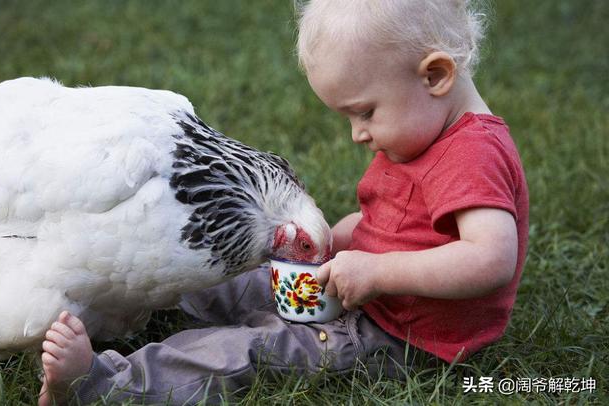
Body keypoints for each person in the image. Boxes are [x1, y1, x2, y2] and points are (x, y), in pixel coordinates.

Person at [38, 0, 529, 404]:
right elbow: (407, 221)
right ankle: (135, 299)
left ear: (436, 76)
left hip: (396, 335)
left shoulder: (471, 155)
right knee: (231, 285)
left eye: (365, 113)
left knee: (247, 350)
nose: (358, 134)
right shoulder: (421, 129)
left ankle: (101, 384)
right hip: (355, 291)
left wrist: (379, 273)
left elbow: (490, 259)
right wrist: (347, 237)